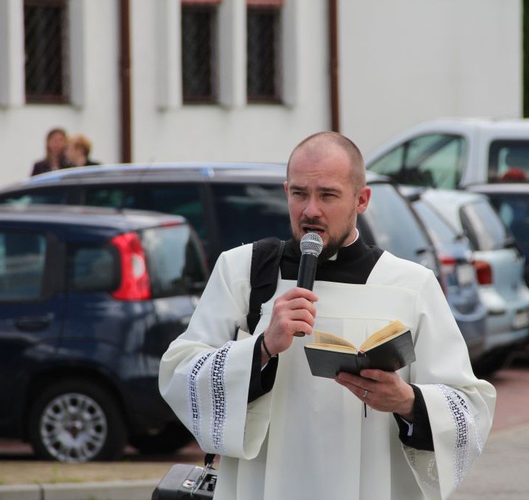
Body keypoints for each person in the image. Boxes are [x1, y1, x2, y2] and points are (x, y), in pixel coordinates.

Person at [159, 131, 496, 500]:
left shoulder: (410, 286)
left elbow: (470, 409)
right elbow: (180, 373)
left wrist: (407, 401)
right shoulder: (242, 271)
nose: (310, 211)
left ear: (361, 199)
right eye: (299, 193)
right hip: (266, 485)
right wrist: (262, 349)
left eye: (328, 195)